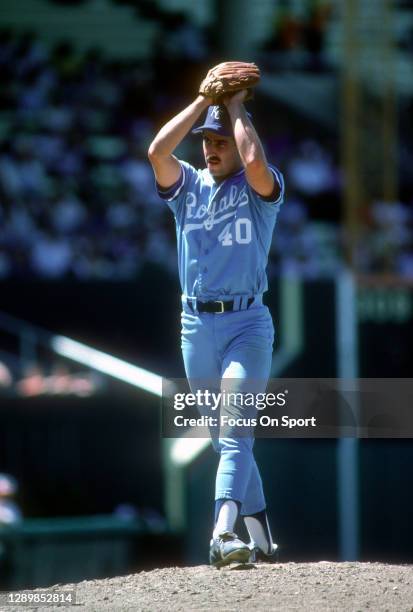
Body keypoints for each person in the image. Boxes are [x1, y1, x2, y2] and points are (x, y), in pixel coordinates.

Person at [148, 77, 285, 568]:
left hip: (247, 324)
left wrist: (235, 107)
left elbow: (254, 163)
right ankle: (260, 532)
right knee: (224, 436)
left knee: (234, 432)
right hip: (195, 327)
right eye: (207, 139)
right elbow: (157, 151)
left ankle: (222, 534)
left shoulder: (259, 189)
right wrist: (205, 103)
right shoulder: (187, 185)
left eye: (219, 139)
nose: (210, 147)